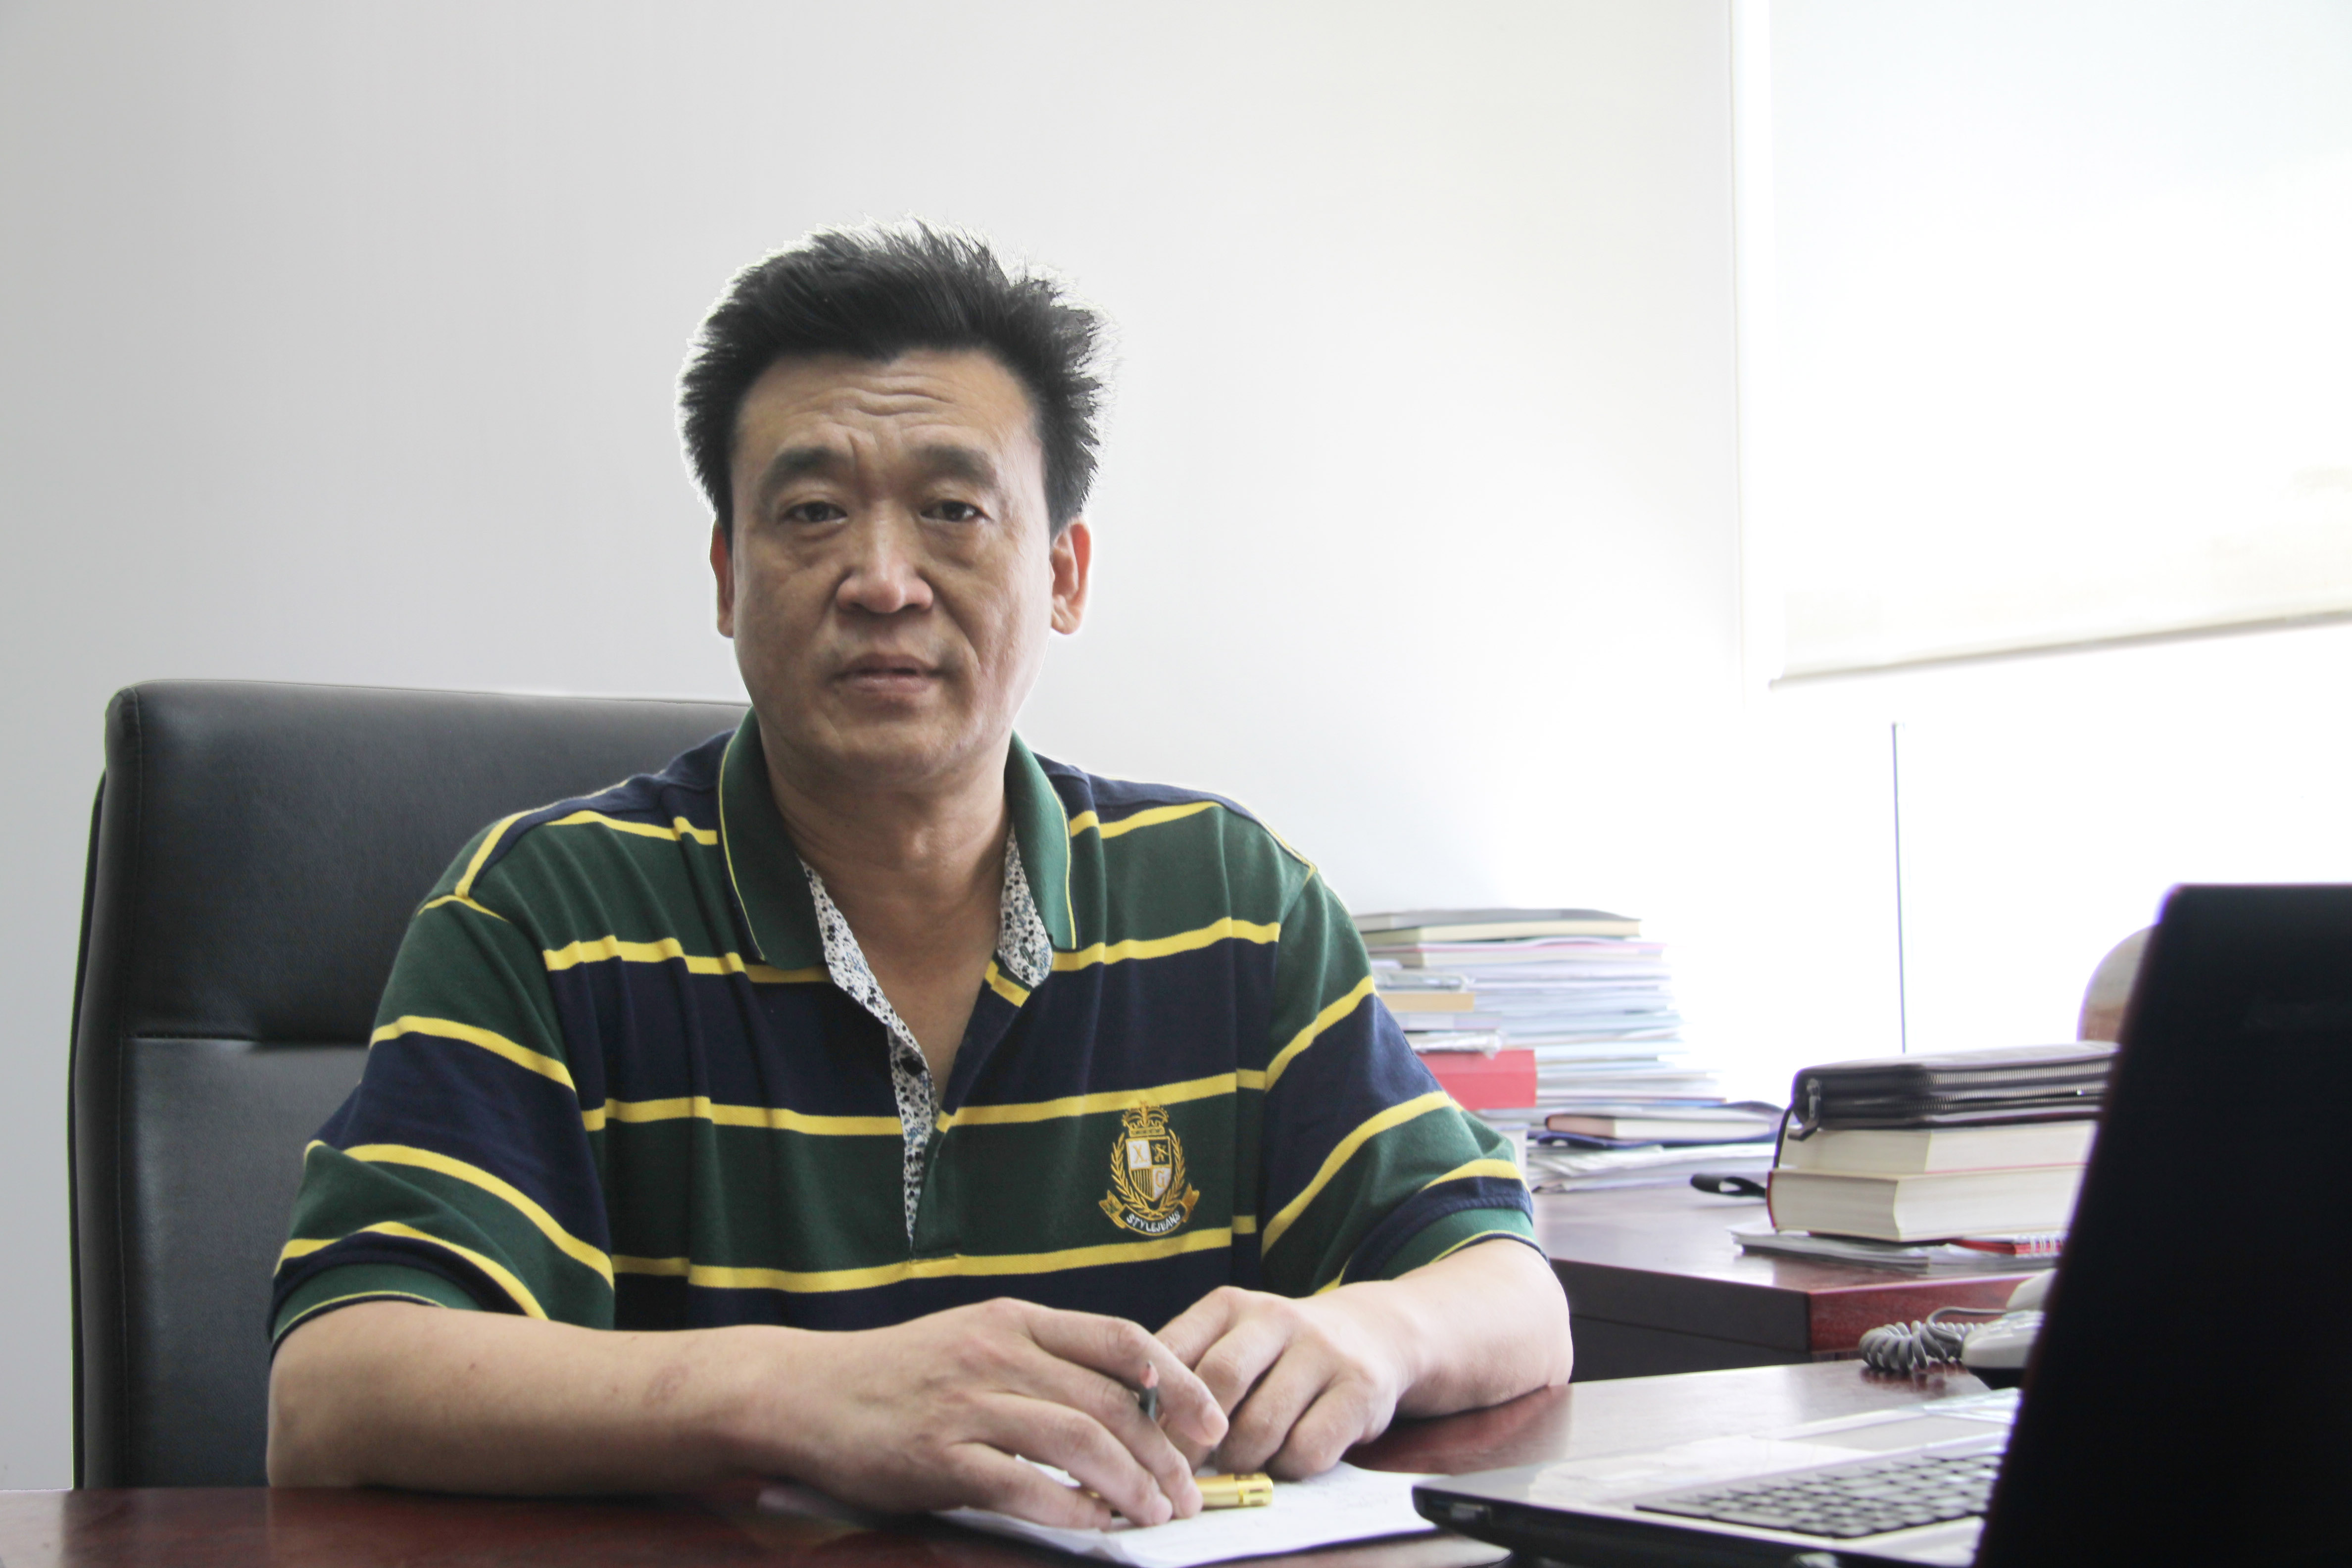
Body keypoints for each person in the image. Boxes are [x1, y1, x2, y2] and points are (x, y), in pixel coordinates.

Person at [265, 225, 1573, 1526]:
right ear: (727, 577)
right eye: (812, 513)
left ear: (1062, 574)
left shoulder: (1229, 904)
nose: (883, 582)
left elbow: (1511, 1295)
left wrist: (1379, 1332)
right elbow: (333, 1393)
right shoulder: (545, 915)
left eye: (954, 511)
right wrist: (801, 1395)